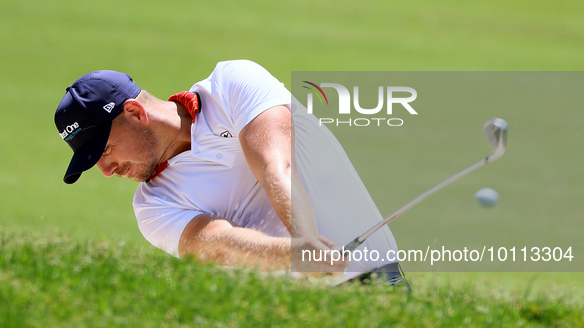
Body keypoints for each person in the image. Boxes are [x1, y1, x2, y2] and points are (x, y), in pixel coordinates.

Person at [54, 60, 404, 283]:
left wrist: (305, 237)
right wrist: (297, 253)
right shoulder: (152, 206)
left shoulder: (231, 85)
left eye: (105, 150)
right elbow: (215, 244)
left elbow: (273, 165)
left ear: (135, 113)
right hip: (292, 318)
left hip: (375, 277)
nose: (106, 170)